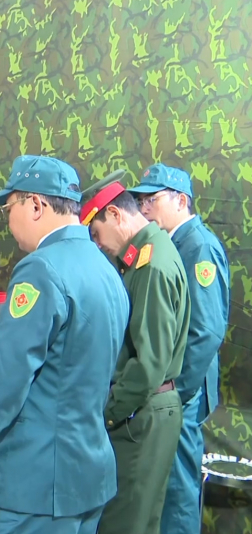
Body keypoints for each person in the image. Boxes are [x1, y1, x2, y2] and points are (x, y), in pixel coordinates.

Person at [0, 156, 130, 533]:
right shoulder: (106, 268)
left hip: (39, 481)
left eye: (9, 208)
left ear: (35, 205)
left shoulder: (41, 269)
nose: (8, 222)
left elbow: (6, 378)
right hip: (88, 473)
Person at [82, 170, 189, 534]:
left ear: (114, 214)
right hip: (145, 412)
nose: (97, 244)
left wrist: (107, 415)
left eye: (96, 233)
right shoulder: (143, 256)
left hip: (140, 416)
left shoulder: (151, 264)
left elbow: (149, 364)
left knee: (123, 525)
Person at [126, 164, 230, 534]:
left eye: (151, 199)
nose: (144, 207)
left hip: (183, 391)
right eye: (139, 200)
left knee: (177, 485)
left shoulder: (198, 247)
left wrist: (176, 391)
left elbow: (207, 330)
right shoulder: (169, 245)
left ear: (181, 200)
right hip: (171, 390)